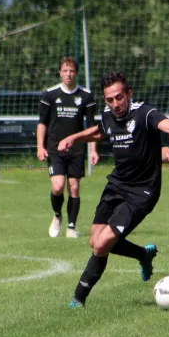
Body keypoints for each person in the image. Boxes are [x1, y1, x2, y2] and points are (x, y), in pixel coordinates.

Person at [58, 71, 169, 308]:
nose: (115, 104)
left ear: (129, 93)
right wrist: (74, 138)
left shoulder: (145, 113)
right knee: (95, 241)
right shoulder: (108, 114)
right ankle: (142, 254)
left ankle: (78, 298)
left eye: (119, 97)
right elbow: (100, 131)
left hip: (141, 192)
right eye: (109, 100)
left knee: (102, 244)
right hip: (116, 184)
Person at [37, 56, 99, 238]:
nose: (68, 74)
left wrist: (93, 150)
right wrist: (40, 147)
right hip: (55, 148)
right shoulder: (50, 95)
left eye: (72, 71)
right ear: (60, 72)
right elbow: (42, 123)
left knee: (74, 187)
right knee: (57, 187)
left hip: (77, 149)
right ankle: (57, 216)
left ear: (76, 73)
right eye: (65, 71)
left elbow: (92, 127)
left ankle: (71, 227)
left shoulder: (86, 96)